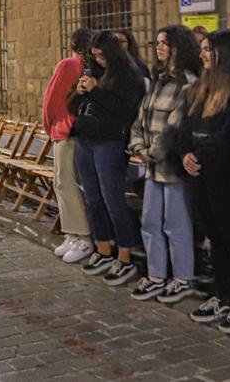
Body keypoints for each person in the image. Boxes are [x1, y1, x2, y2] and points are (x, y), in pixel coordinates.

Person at [179, 30, 230, 333]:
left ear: (223, 53)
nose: (202, 55)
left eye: (207, 49)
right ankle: (222, 294)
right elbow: (186, 124)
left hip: (227, 174)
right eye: (202, 49)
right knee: (214, 234)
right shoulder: (200, 86)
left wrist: (210, 153)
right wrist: (186, 151)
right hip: (201, 173)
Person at [128, 25, 201, 303]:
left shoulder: (188, 83)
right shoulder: (158, 80)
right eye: (157, 42)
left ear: (178, 47)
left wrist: (151, 153)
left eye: (164, 43)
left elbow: (175, 126)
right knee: (150, 221)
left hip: (171, 165)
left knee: (176, 223)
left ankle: (182, 278)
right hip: (151, 165)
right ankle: (156, 274)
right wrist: (139, 147)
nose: (158, 48)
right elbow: (140, 118)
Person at [70, 30, 147, 286]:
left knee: (112, 199)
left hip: (109, 142)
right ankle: (104, 248)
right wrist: (81, 91)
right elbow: (70, 106)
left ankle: (125, 254)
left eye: (102, 56)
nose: (99, 60)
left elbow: (125, 111)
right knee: (92, 198)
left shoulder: (129, 75)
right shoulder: (94, 73)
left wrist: (95, 92)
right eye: (95, 56)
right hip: (85, 139)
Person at [43, 27, 94, 264]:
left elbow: (52, 99)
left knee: (64, 182)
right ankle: (72, 233)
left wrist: (50, 126)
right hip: (77, 129)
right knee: (64, 183)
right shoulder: (89, 67)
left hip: (65, 129)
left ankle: (81, 236)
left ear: (72, 44)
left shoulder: (68, 64)